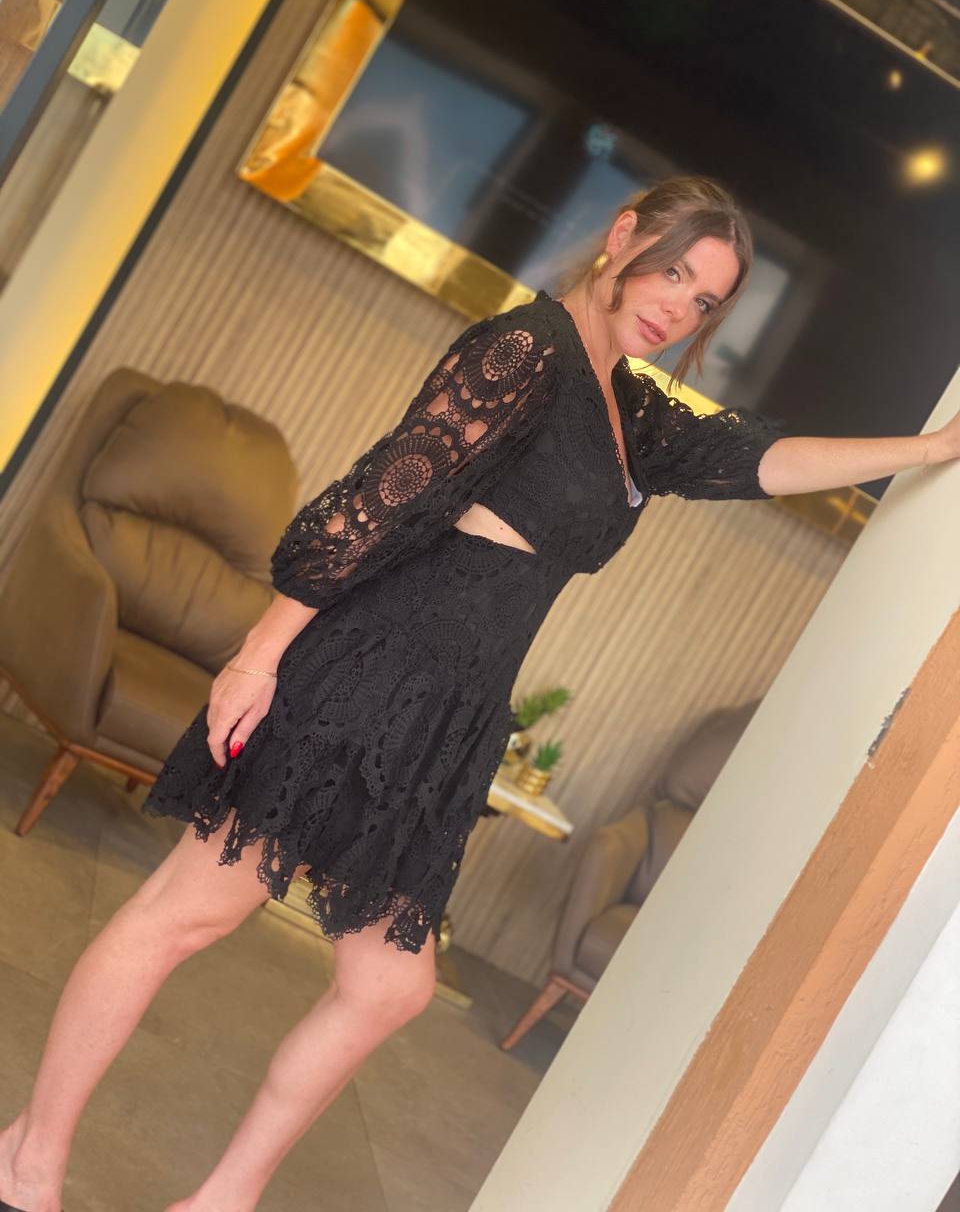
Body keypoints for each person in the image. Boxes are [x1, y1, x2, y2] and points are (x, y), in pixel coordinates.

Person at [1, 176, 956, 1212]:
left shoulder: (632, 410)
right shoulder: (525, 350)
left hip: (446, 721)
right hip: (368, 674)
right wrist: (259, 653)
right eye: (672, 271)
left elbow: (759, 459)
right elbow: (378, 502)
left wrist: (934, 448)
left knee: (389, 985)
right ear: (623, 236)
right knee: (185, 913)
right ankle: (27, 1161)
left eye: (704, 300)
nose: (677, 306)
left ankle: (220, 1200)